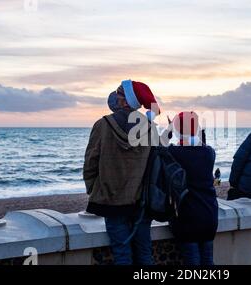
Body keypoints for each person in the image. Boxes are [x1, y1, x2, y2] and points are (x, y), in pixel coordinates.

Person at [83, 80, 163, 265]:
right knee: (144, 252)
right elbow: (156, 164)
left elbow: (90, 163)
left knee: (121, 253)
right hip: (142, 201)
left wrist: (94, 190)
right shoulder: (150, 128)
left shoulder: (102, 125)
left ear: (125, 101)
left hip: (111, 201)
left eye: (118, 94)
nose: (114, 97)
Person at [167, 111, 218, 265]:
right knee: (208, 260)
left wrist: (169, 130)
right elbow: (201, 145)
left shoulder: (174, 153)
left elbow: (158, 147)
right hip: (209, 215)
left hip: (186, 217)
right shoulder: (209, 153)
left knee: (192, 261)